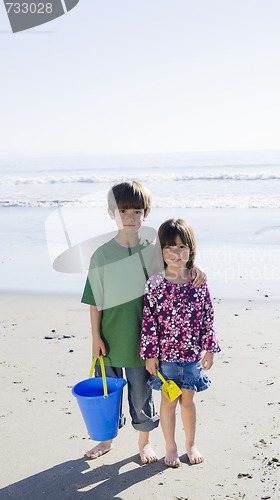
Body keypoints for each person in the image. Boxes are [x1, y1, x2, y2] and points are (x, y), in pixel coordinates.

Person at [81, 181, 206, 463]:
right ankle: (106, 439)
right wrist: (95, 337)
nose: (130, 217)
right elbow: (94, 301)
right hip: (109, 338)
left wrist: (196, 268)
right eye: (123, 210)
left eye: (137, 211)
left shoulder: (152, 251)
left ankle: (144, 441)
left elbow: (176, 265)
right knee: (107, 391)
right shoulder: (101, 255)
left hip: (143, 341)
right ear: (111, 212)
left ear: (146, 214)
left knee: (141, 393)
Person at [140, 218, 220, 467]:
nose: (176, 253)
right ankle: (170, 446)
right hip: (167, 360)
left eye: (182, 247)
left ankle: (190, 443)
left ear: (191, 249)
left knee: (188, 400)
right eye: (169, 248)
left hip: (192, 357)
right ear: (160, 251)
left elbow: (208, 315)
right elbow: (148, 321)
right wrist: (150, 355)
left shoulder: (198, 282)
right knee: (168, 401)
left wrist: (210, 348)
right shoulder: (155, 284)